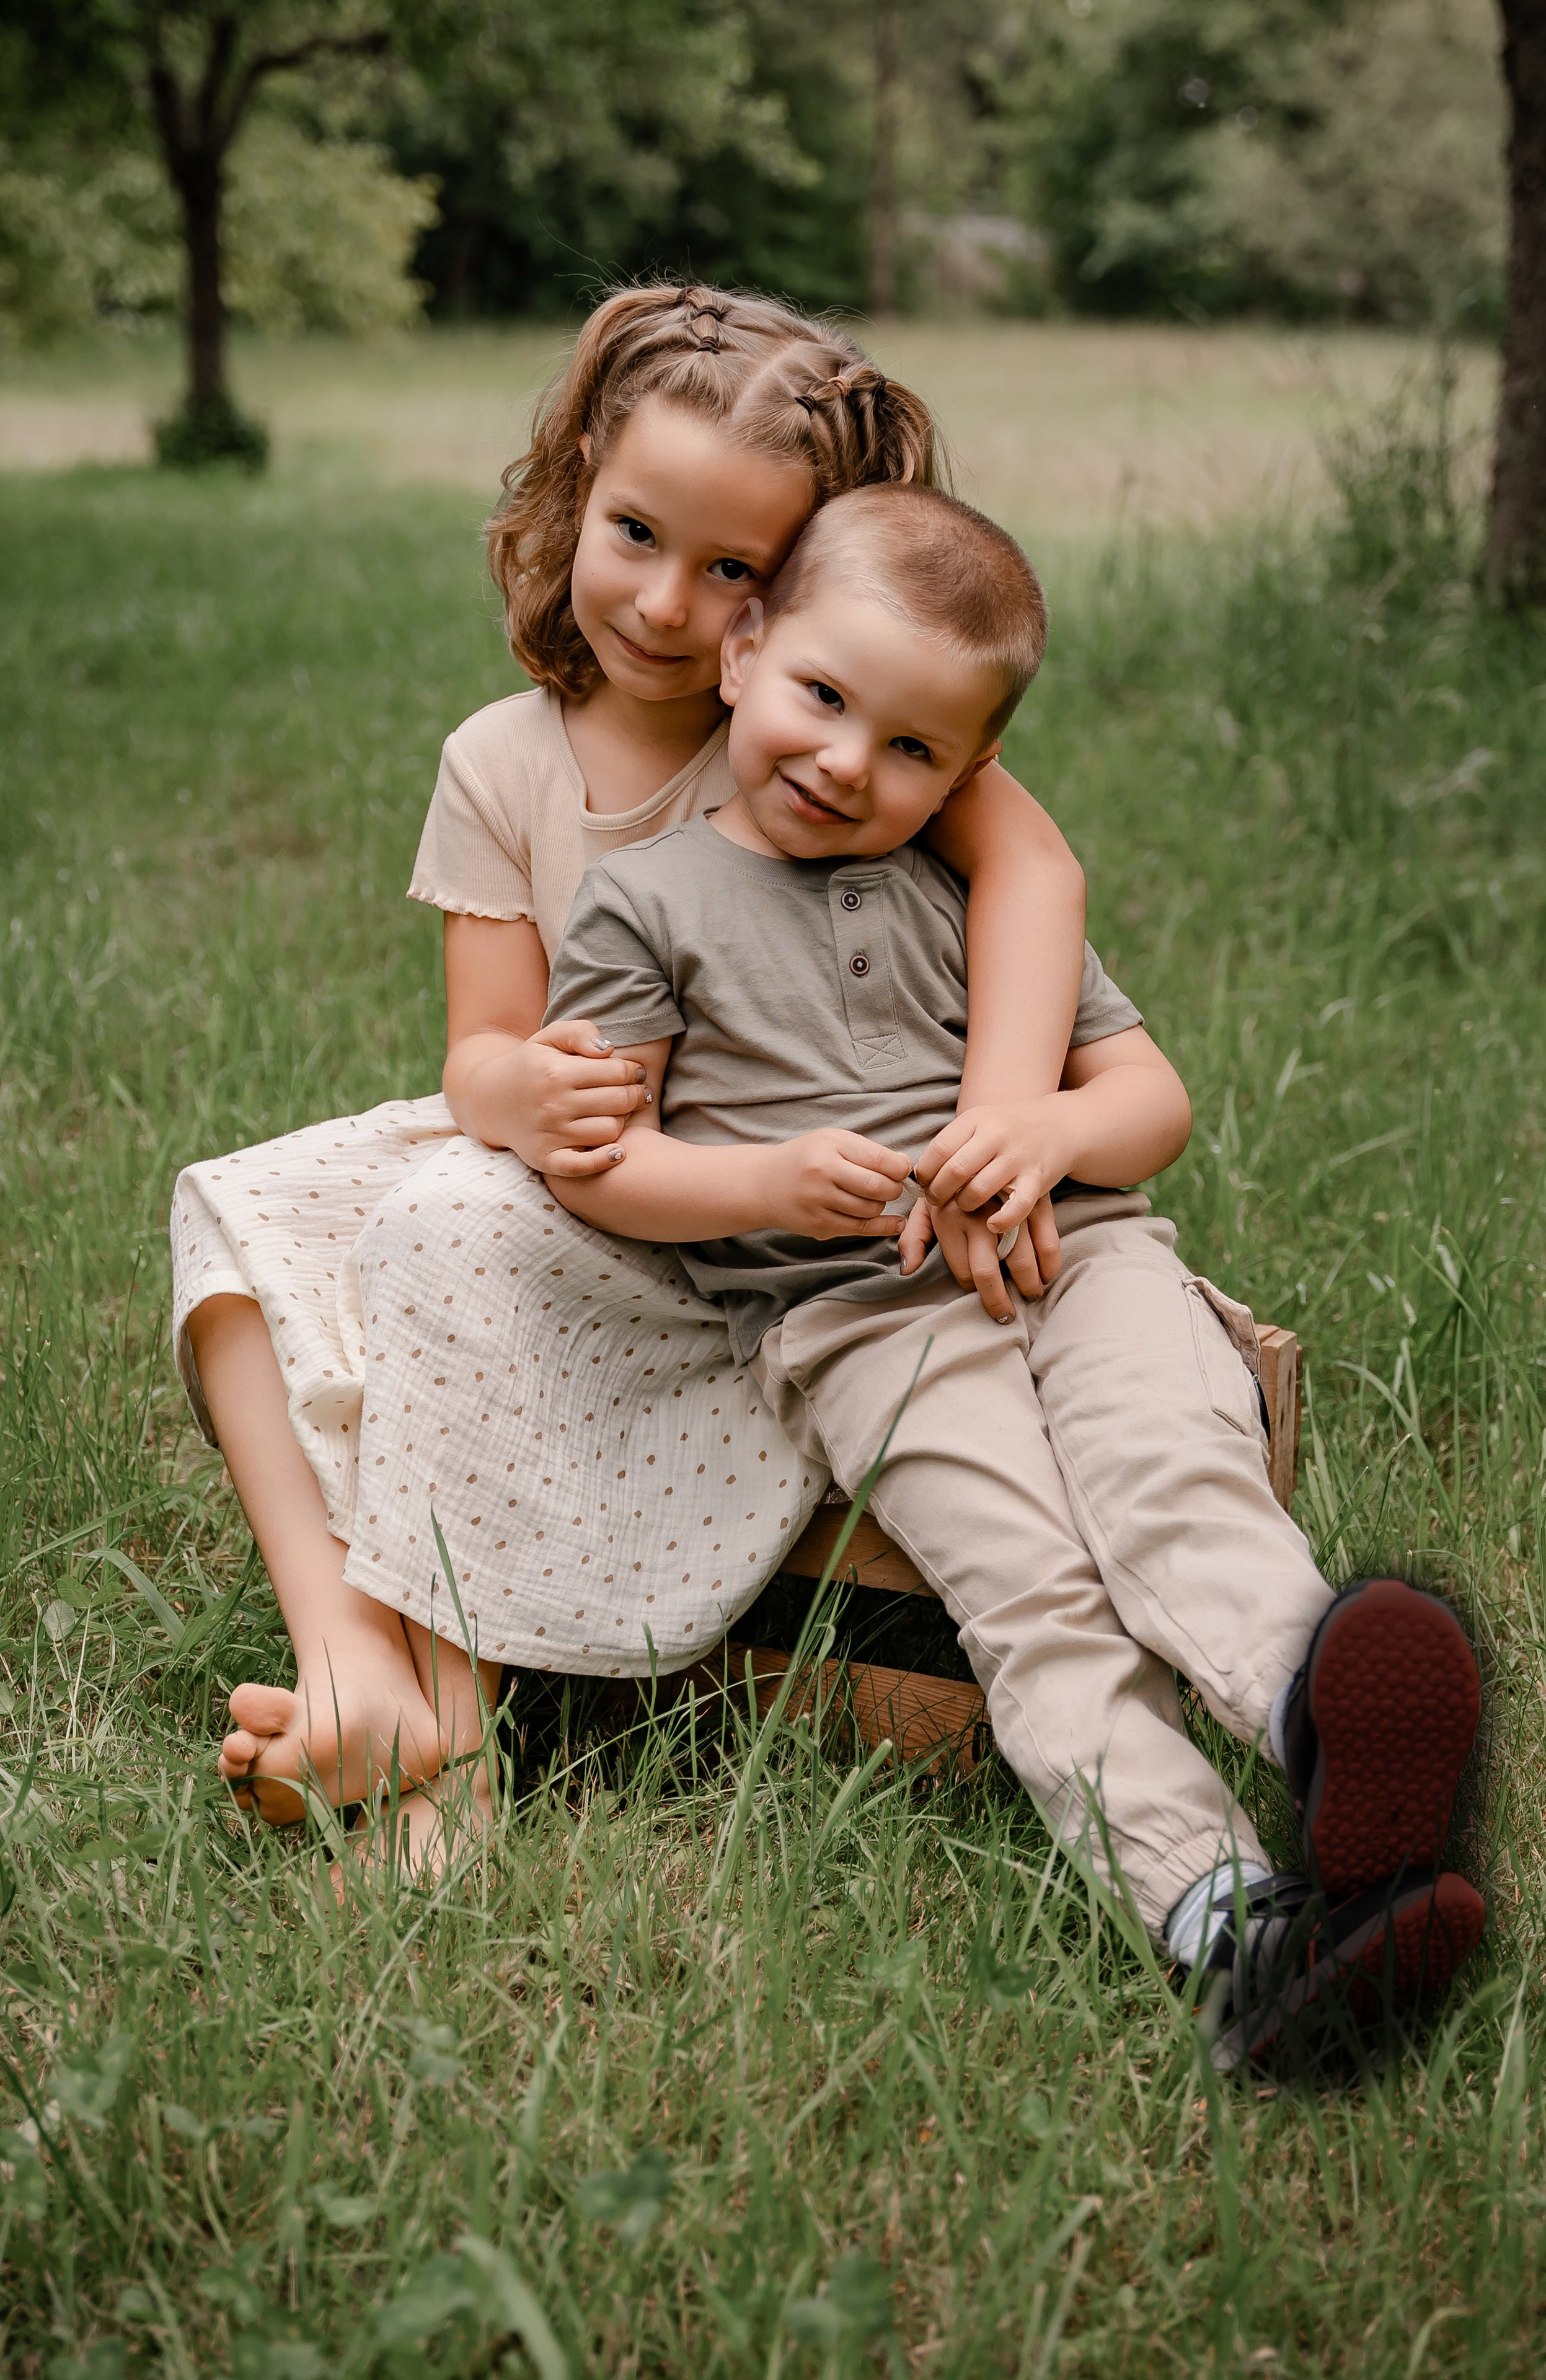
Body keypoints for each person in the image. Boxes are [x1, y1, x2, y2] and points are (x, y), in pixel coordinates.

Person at [538, 480, 1486, 2068]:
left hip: (1086, 1255)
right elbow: (601, 1163)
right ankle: (1230, 1927)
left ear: (972, 770)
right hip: (857, 1320)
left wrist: (1040, 1134)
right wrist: (763, 1178)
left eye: (911, 748)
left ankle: (1327, 1724)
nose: (849, 763)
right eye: (823, 700)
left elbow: (1150, 1105)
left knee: (1167, 1469)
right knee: (1033, 1592)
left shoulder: (963, 885)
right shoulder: (641, 901)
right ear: (744, 649)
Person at [170, 283, 1087, 1868]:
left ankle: (449, 1742)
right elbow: (483, 1053)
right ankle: (354, 1662)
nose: (667, 606)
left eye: (731, 569)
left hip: (760, 1233)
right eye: (636, 532)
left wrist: (1001, 1112)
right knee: (239, 1220)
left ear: (792, 588)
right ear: (577, 482)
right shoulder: (502, 761)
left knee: (444, 1227)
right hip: (581, 1189)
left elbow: (1038, 875)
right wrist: (508, 1094)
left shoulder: (840, 735)